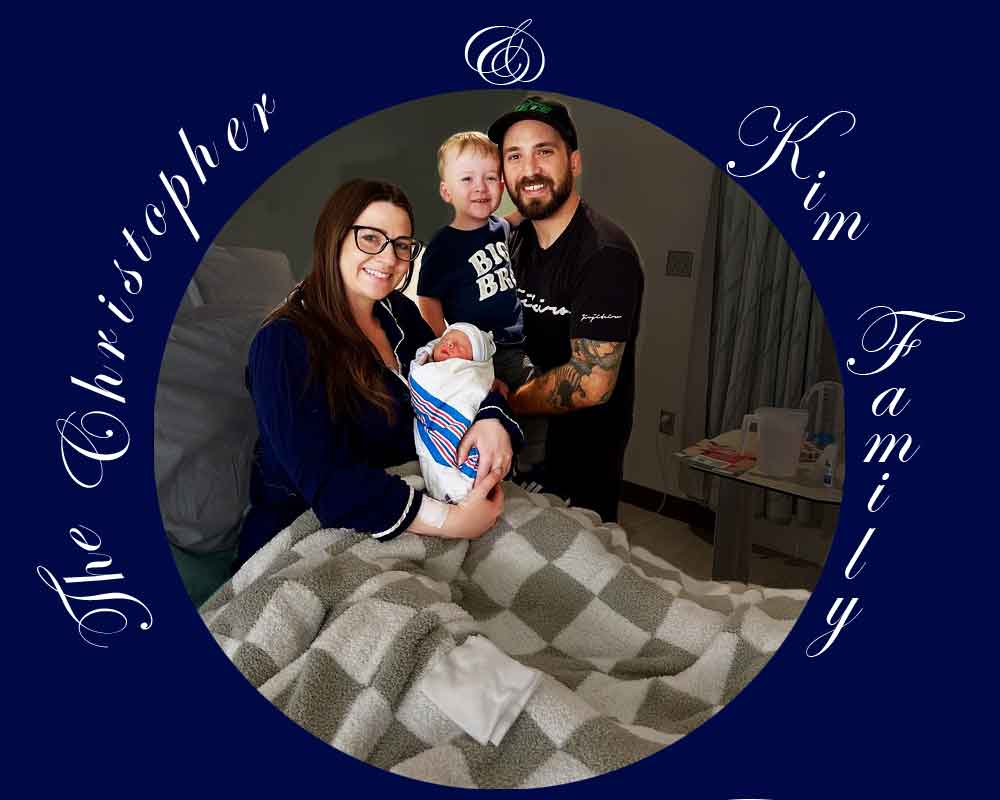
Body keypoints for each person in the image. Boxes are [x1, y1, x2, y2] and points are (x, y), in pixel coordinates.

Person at [237, 179, 522, 568]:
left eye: (402, 245)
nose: (389, 259)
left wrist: (492, 420)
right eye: (371, 238)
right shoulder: (284, 344)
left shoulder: (399, 314)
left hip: (424, 494)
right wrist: (452, 521)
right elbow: (330, 486)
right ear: (334, 237)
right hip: (314, 529)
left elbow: (462, 378)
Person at [487, 96, 645, 523]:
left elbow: (591, 381)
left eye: (544, 151)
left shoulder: (605, 254)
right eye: (514, 156)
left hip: (580, 462)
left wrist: (503, 401)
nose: (529, 169)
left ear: (573, 162)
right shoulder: (513, 240)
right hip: (515, 451)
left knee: (576, 560)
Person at [416, 131, 533, 393]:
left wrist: (531, 202)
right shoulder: (443, 246)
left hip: (515, 340)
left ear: (501, 186)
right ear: (447, 192)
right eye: (467, 179)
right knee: (520, 392)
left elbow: (513, 220)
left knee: (528, 390)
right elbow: (428, 299)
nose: (480, 187)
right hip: (475, 350)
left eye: (490, 178)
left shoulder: (499, 227)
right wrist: (440, 340)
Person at [409, 322, 501, 503]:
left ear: (472, 363)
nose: (449, 344)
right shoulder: (428, 372)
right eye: (446, 340)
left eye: (460, 345)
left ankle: (459, 487)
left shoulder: (470, 377)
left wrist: (492, 418)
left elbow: (475, 392)